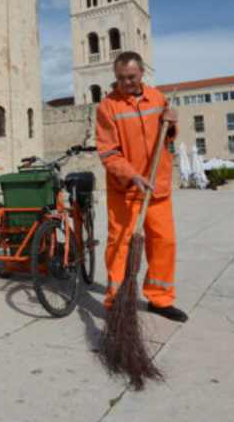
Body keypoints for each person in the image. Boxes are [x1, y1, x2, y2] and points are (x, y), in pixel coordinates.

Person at [95, 51, 188, 322]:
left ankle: (159, 299)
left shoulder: (157, 98)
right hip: (126, 191)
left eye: (131, 77)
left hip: (157, 188)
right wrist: (132, 175)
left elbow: (166, 137)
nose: (126, 83)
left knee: (164, 243)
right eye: (121, 78)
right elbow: (108, 153)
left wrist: (171, 124)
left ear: (142, 73)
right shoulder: (108, 107)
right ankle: (115, 302)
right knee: (120, 246)